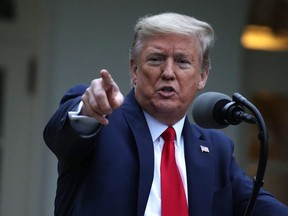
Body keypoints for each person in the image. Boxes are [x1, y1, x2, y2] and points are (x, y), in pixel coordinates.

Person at [43, 12, 288, 216]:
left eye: (182, 62)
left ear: (202, 76)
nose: (168, 72)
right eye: (156, 59)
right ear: (134, 69)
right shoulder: (102, 121)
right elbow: (60, 135)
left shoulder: (217, 151)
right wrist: (88, 110)